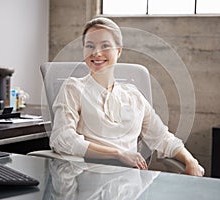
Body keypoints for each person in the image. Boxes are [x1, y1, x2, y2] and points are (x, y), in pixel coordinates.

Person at [50, 17, 204, 176]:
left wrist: (191, 161)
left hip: (132, 187)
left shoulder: (133, 96)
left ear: (118, 50)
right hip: (91, 183)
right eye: (90, 46)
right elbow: (62, 138)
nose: (96, 52)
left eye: (105, 46)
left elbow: (162, 137)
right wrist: (117, 154)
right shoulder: (73, 88)